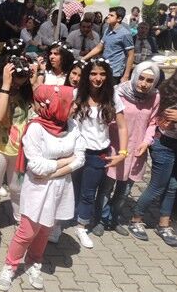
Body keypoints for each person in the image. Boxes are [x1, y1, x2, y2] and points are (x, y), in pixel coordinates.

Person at [0, 85, 85, 292]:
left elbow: (81, 158)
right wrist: (66, 161)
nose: (75, 107)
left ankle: (34, 262)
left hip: (60, 186)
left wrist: (53, 172)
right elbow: (36, 166)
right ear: (57, 104)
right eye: (71, 103)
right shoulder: (35, 128)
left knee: (45, 230)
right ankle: (10, 266)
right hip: (37, 188)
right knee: (27, 232)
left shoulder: (72, 125)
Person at [94, 62, 160, 237]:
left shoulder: (154, 97)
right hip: (116, 147)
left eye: (149, 81)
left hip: (137, 151)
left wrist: (146, 142)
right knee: (107, 187)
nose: (144, 84)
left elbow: (153, 122)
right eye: (141, 78)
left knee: (124, 191)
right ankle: (100, 219)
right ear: (135, 75)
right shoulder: (119, 93)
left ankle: (113, 219)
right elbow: (107, 118)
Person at [71, 59, 128, 249]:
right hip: (75, 152)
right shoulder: (76, 94)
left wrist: (123, 153)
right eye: (94, 74)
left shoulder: (112, 96)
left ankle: (81, 226)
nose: (98, 78)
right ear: (87, 75)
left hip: (98, 154)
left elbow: (122, 127)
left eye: (102, 74)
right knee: (70, 189)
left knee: (88, 193)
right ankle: (61, 223)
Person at [0, 52, 32, 242]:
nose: (19, 86)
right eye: (16, 81)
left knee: (17, 188)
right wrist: (7, 85)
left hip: (19, 149)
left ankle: (19, 219)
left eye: (22, 82)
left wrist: (34, 78)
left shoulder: (25, 87)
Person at [128, 72, 177, 246]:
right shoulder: (169, 92)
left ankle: (163, 224)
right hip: (164, 144)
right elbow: (163, 123)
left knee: (173, 187)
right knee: (158, 186)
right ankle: (136, 219)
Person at [83, 6, 135, 83]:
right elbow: (99, 47)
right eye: (108, 14)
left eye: (111, 15)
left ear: (119, 19)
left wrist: (126, 75)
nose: (108, 16)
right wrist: (83, 59)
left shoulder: (125, 34)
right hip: (104, 68)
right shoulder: (108, 30)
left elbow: (131, 55)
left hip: (115, 72)